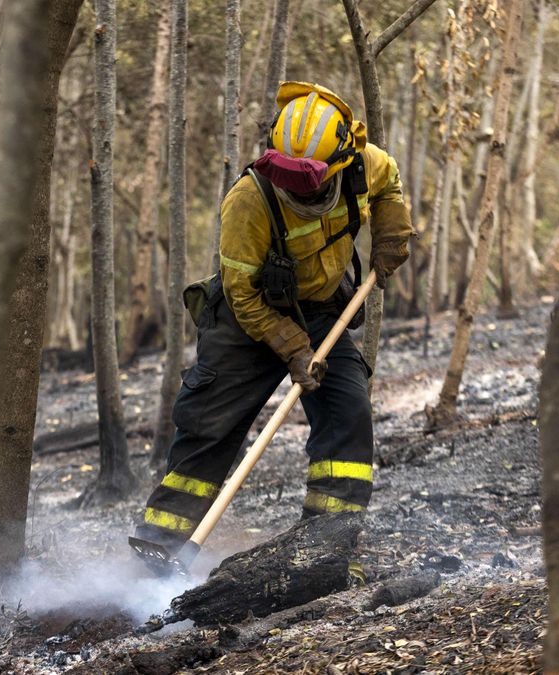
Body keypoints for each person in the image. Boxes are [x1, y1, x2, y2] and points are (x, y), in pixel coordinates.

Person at [133, 82, 414, 551]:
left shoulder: (367, 164)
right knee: (208, 425)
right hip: (249, 321)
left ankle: (325, 544)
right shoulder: (248, 201)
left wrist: (391, 234)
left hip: (323, 309)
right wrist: (292, 348)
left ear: (342, 160)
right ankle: (162, 544)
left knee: (350, 413)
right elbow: (242, 294)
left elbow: (389, 186)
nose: (294, 191)